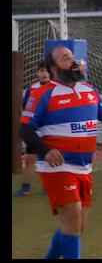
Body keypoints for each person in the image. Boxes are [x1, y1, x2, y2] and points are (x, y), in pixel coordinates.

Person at [20, 45, 102, 260]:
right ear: (53, 68)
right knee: (73, 219)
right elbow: (26, 129)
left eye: (73, 57)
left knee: (76, 224)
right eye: (65, 58)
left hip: (84, 167)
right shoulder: (42, 93)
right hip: (57, 167)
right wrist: (45, 150)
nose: (73, 61)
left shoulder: (89, 89)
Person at [14, 66, 52, 197]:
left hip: (52, 129)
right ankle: (25, 189)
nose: (44, 73)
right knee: (30, 159)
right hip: (36, 129)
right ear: (37, 73)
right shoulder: (31, 89)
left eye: (46, 71)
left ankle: (51, 187)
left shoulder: (57, 87)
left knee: (53, 157)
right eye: (41, 71)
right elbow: (24, 106)